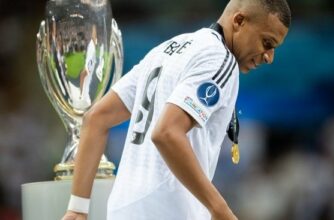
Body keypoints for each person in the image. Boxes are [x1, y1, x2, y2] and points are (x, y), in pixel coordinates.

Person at [62, 0, 290, 219]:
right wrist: (220, 209)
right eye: (267, 43)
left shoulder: (167, 50)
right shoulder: (221, 59)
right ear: (239, 21)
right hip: (168, 211)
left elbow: (95, 119)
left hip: (122, 210)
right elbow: (167, 133)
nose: (269, 57)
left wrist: (77, 208)